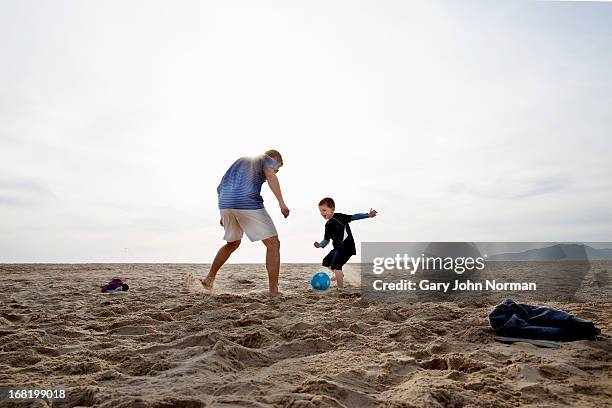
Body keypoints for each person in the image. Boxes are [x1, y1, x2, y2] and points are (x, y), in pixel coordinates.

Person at [201, 150, 289, 298]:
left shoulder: (239, 162)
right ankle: (273, 291)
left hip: (225, 203)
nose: (276, 170)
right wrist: (282, 203)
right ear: (274, 159)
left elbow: (220, 187)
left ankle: (209, 279)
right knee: (273, 243)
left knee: (233, 243)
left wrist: (223, 213)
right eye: (277, 168)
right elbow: (271, 175)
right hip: (246, 201)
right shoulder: (266, 158)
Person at [313, 197, 377, 288]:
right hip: (338, 248)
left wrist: (368, 215)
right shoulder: (327, 225)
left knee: (336, 266)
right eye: (320, 211)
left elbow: (354, 217)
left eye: (324, 210)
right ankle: (339, 274)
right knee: (326, 261)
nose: (322, 213)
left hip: (347, 247)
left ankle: (340, 288)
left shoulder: (339, 217)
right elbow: (326, 239)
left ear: (332, 210)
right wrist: (320, 244)